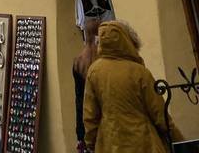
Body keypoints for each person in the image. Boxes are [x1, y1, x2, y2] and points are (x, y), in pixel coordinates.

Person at [83, 20, 184, 152]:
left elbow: (90, 115)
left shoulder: (95, 71)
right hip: (144, 142)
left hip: (110, 142)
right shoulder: (139, 72)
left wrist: (90, 143)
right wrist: (179, 140)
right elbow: (159, 113)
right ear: (128, 40)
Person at [72, 17, 100, 152]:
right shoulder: (104, 60)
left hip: (86, 118)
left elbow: (79, 98)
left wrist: (80, 134)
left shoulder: (79, 62)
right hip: (103, 119)